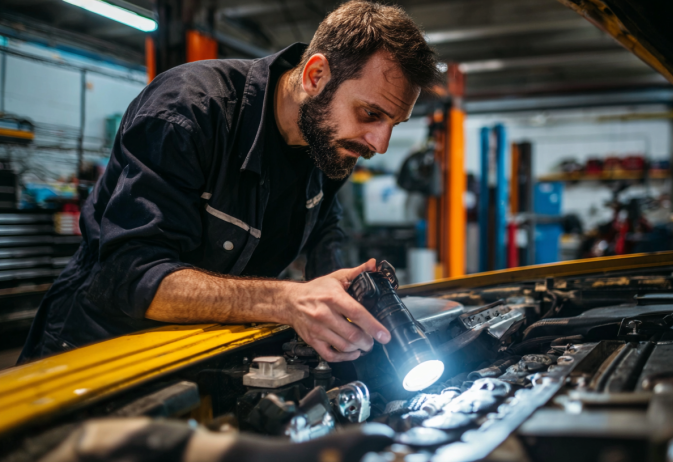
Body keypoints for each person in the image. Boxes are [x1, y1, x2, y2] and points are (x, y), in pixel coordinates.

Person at [18, 1, 440, 364]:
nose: (380, 144)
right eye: (371, 115)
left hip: (206, 353)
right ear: (315, 76)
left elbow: (325, 228)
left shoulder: (326, 142)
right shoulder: (188, 111)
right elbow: (130, 275)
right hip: (99, 355)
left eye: (393, 123)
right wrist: (289, 301)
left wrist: (348, 300)